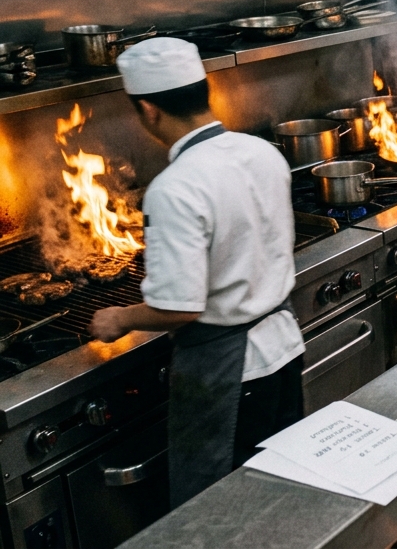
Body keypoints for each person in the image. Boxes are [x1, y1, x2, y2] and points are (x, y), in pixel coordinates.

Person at [88, 37, 304, 507]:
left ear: (148, 110)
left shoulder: (174, 188)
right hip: (284, 351)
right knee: (284, 498)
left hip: (231, 374)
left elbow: (178, 309)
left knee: (225, 510)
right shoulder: (261, 152)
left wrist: (119, 318)